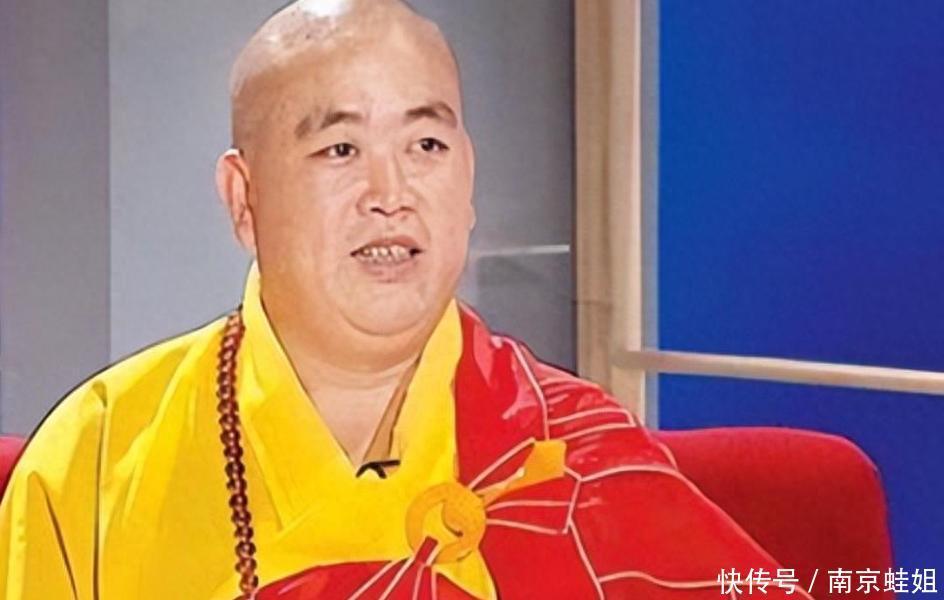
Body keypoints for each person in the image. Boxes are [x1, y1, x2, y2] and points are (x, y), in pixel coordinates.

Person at [0, 1, 812, 598]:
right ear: (244, 200)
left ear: (467, 178)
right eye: (340, 149)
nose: (390, 193)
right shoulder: (96, 459)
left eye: (425, 144)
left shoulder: (574, 458)